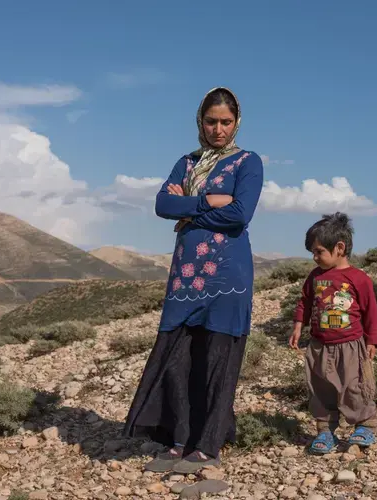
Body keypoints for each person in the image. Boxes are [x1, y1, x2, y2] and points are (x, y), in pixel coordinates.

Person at [123, 87, 264, 473]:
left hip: (227, 277)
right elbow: (162, 205)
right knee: (179, 357)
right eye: (211, 121)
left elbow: (239, 214)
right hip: (185, 278)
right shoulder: (187, 163)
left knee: (218, 357)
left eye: (226, 122)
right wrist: (207, 202)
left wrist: (188, 214)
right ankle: (179, 438)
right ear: (200, 122)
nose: (218, 129)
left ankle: (208, 444)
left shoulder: (248, 162)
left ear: (237, 123)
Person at [289, 212, 377, 454]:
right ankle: (325, 431)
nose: (314, 257)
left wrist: (372, 340)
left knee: (354, 386)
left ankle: (364, 425)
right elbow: (304, 302)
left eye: (319, 251)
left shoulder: (358, 279)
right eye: (313, 252)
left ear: (339, 248)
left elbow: (371, 311)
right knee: (320, 387)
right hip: (319, 345)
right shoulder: (315, 277)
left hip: (350, 344)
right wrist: (299, 325)